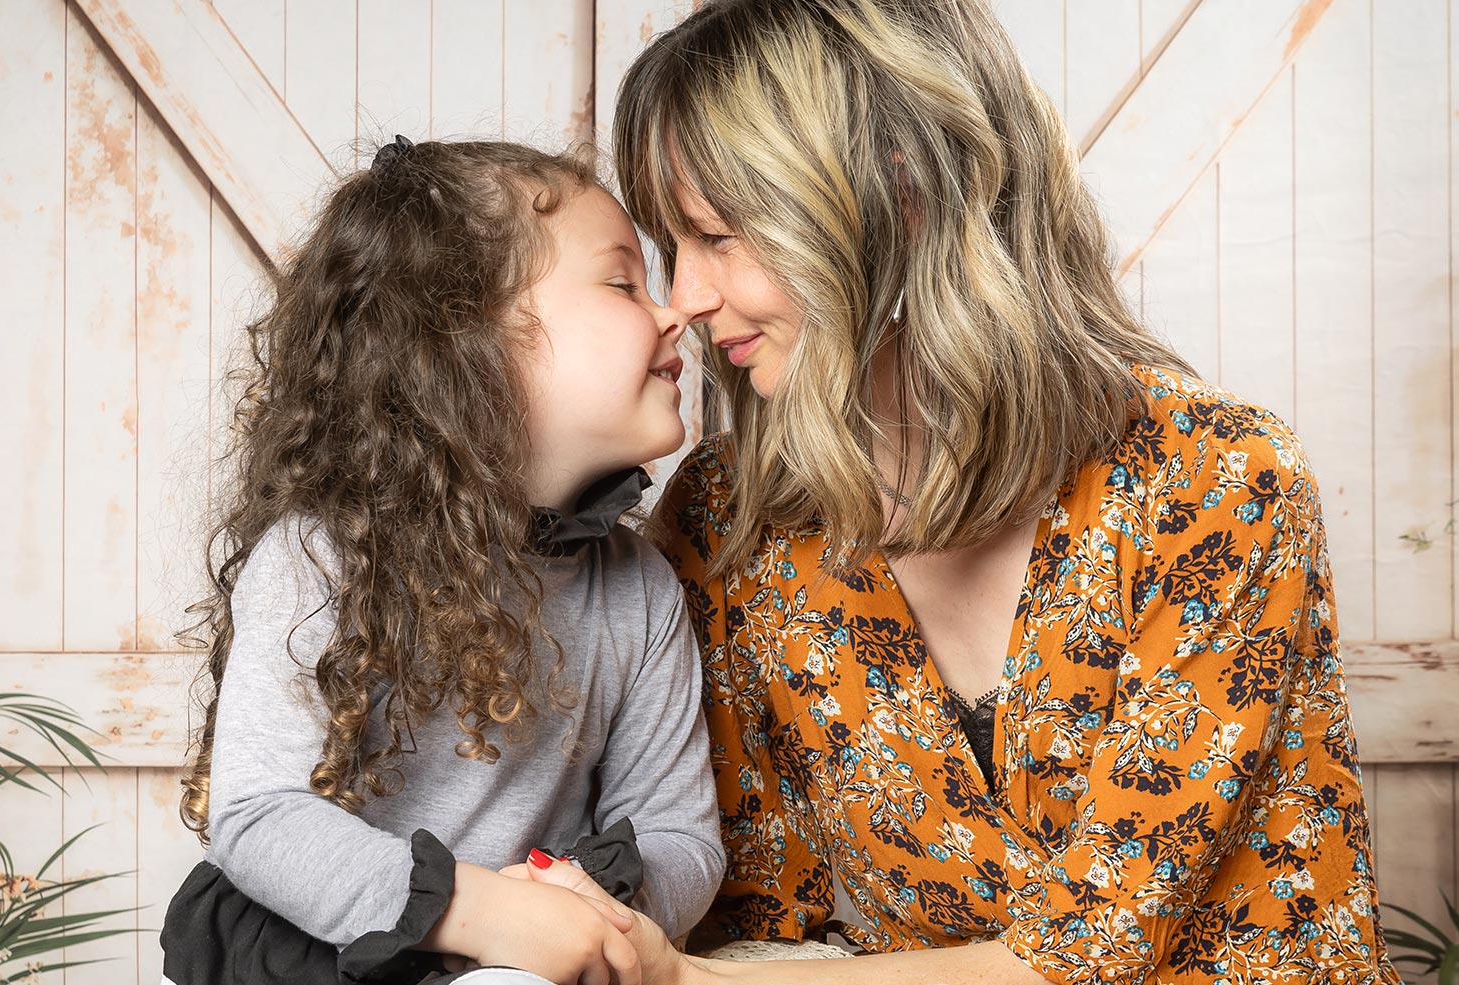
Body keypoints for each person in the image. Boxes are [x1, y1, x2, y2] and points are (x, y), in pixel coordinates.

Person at [564, 1, 1408, 982]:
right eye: (673, 243)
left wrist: (694, 980)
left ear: (902, 194)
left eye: (718, 235)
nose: (686, 297)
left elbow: (1090, 950)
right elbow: (759, 916)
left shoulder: (1216, 479)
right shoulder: (730, 520)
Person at [158, 137, 726, 985]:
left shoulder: (639, 590)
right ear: (464, 339)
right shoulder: (324, 555)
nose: (673, 312)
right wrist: (482, 910)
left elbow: (680, 837)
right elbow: (262, 815)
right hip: (331, 958)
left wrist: (579, 909)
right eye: (622, 283)